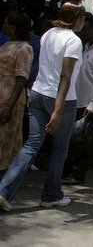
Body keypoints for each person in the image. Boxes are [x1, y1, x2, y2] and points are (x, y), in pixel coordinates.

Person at [0, 1, 85, 212]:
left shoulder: (48, 34)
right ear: (77, 19)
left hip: (38, 93)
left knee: (31, 145)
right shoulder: (73, 40)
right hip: (61, 99)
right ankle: (51, 195)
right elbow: (65, 76)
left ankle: (3, 191)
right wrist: (57, 110)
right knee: (59, 151)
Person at [63, 13, 93, 183]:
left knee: (82, 141)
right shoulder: (84, 47)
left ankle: (78, 174)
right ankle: (69, 171)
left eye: (86, 28)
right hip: (74, 99)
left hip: (88, 104)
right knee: (71, 138)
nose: (83, 31)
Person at [0, 12, 34, 171]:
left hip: (9, 100)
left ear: (13, 28)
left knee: (7, 139)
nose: (3, 25)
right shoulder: (7, 45)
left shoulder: (24, 48)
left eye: (6, 22)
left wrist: (9, 107)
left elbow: (21, 78)